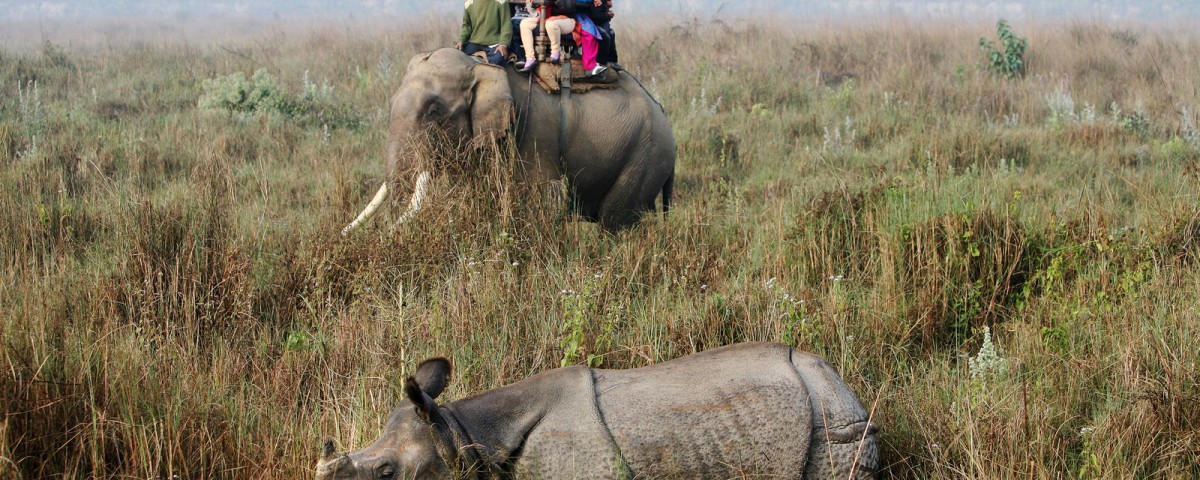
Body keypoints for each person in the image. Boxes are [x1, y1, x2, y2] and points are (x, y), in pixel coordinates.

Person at [517, 0, 577, 72]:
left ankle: (555, 52)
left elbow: (568, 7)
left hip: (567, 19)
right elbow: (537, 5)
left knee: (550, 24)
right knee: (525, 23)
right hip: (546, 18)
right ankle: (530, 58)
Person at [456, 0, 512, 67]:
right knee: (456, 57)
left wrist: (503, 44)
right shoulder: (469, 3)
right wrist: (461, 40)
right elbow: (467, 26)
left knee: (498, 60)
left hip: (495, 44)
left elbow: (506, 24)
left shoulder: (501, 2)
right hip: (474, 43)